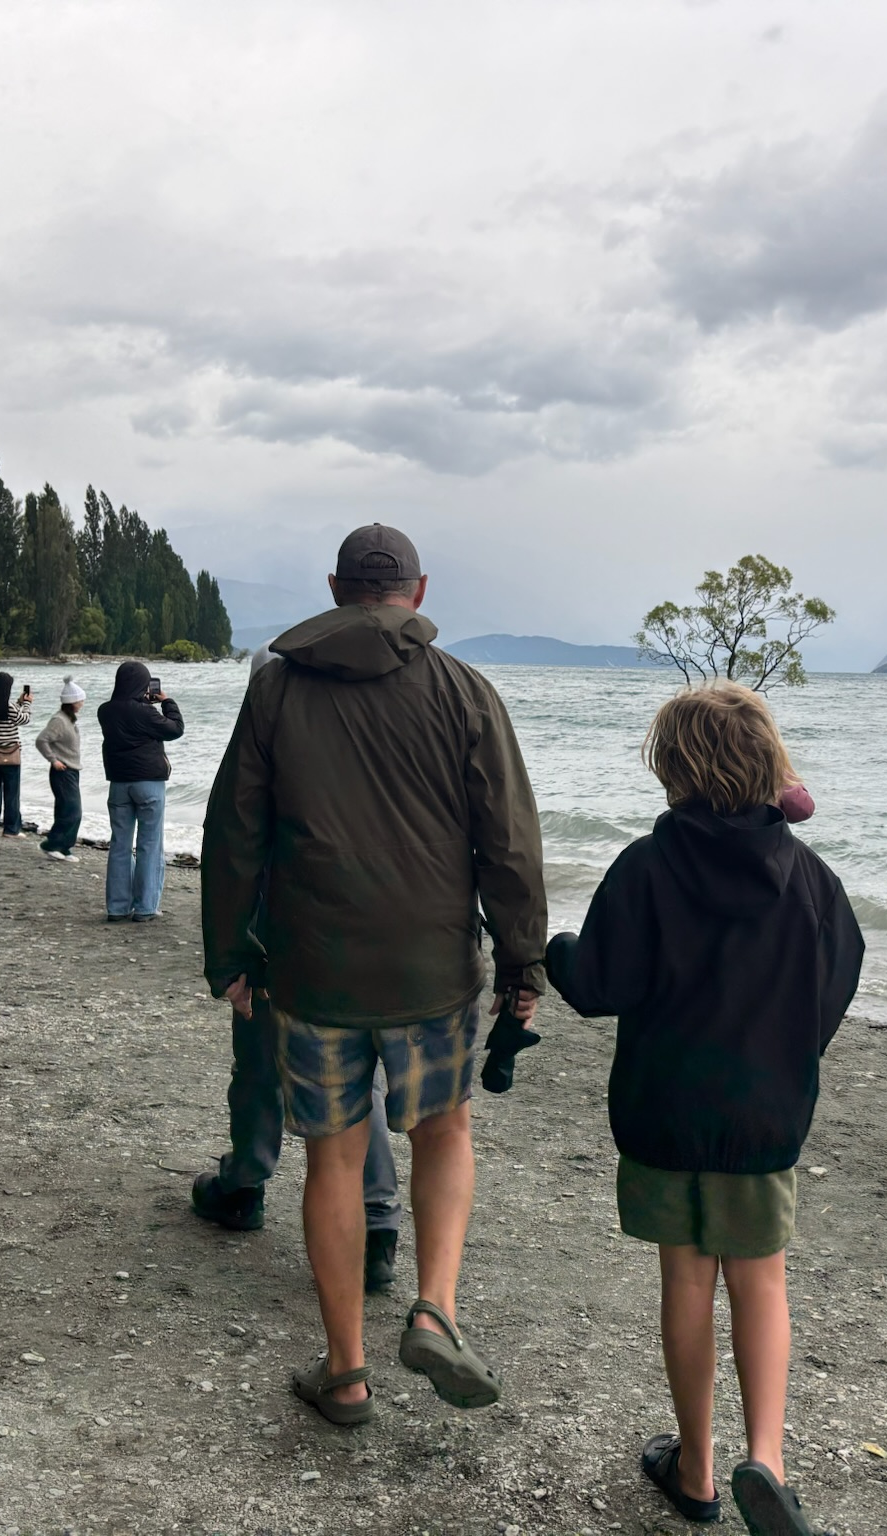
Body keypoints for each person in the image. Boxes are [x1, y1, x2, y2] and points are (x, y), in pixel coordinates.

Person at [200, 523, 546, 1427]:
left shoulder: (276, 688)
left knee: (335, 1160)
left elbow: (234, 828)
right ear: (418, 593)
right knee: (443, 1132)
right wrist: (524, 960)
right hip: (433, 967)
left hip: (313, 971)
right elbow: (508, 842)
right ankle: (434, 1307)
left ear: (334, 587)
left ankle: (346, 1372)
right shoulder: (466, 690)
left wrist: (229, 953)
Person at [547, 681, 862, 1536]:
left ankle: (694, 1470)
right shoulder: (811, 880)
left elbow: (598, 985)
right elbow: (835, 985)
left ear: (672, 769)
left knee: (686, 1279)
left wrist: (556, 950)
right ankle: (768, 1460)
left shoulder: (647, 867)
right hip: (763, 1119)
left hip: (665, 1111)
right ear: (770, 766)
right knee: (760, 1282)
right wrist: (787, 1054)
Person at [190, 646, 404, 1294]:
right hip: (361, 935)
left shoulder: (267, 752)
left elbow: (234, 847)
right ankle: (377, 1221)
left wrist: (230, 953)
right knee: (354, 1073)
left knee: (258, 1063)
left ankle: (246, 1183)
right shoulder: (364, 754)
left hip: (281, 933)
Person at [100, 661, 182, 921]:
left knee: (120, 845)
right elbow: (175, 729)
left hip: (118, 785)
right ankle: (145, 908)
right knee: (149, 844)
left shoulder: (105, 711)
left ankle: (117, 907)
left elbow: (129, 719)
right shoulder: (145, 713)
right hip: (148, 783)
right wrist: (166, 701)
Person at [34, 677, 87, 861]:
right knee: (72, 811)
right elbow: (41, 740)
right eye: (80, 700)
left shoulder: (69, 720)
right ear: (72, 702)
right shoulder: (59, 720)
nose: (82, 703)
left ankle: (64, 848)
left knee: (68, 810)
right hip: (62, 772)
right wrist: (53, 760)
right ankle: (50, 844)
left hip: (72, 771)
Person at [0, 672, 34, 837]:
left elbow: (12, 714)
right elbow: (24, 719)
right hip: (11, 757)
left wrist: (19, 702)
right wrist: (26, 704)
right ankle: (11, 829)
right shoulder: (9, 708)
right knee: (12, 794)